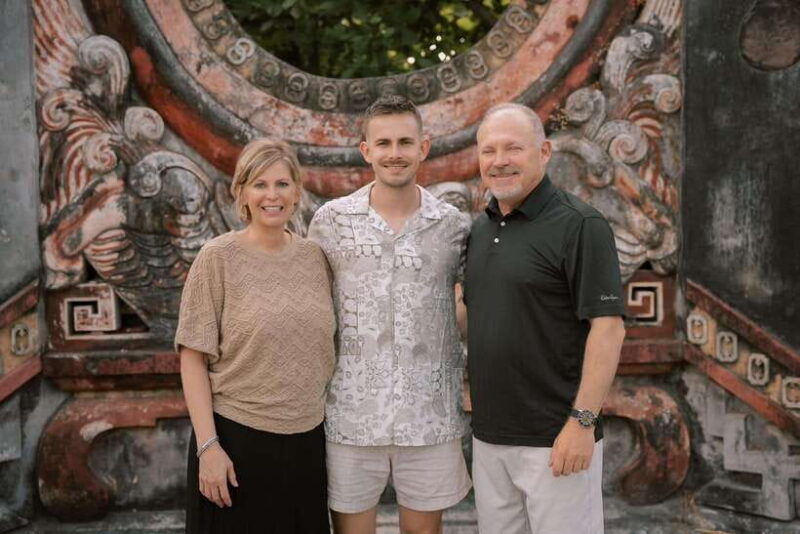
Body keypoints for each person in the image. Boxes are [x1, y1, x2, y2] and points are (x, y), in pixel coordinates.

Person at [308, 95, 472, 534]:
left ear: (424, 147)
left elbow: (470, 307)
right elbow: (310, 308)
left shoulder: (454, 225)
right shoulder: (331, 221)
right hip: (350, 416)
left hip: (429, 416)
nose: (394, 153)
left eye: (404, 141)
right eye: (383, 143)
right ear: (366, 151)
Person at [465, 103, 627, 534]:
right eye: (488, 151)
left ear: (544, 152)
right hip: (489, 438)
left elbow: (608, 329)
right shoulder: (480, 230)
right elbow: (482, 317)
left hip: (557, 439)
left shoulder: (581, 225)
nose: (499, 161)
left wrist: (582, 422)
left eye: (513, 148)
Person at [175, 138, 336, 533]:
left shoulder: (316, 258)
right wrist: (208, 447)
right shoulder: (217, 258)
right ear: (242, 192)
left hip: (307, 444)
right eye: (260, 184)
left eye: (282, 184)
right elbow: (192, 358)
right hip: (235, 445)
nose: (272, 195)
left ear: (297, 191)